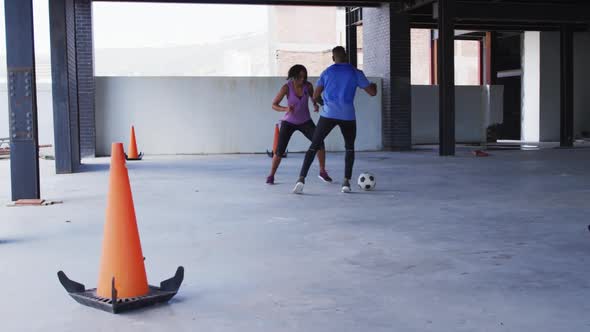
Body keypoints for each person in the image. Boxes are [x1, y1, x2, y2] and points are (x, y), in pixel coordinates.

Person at [292, 46, 377, 194]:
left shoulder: (327, 72)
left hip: (328, 114)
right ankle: (346, 182)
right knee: (349, 147)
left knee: (314, 146)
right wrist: (373, 85)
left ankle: (301, 179)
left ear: (333, 58)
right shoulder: (356, 72)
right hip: (348, 115)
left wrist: (325, 105)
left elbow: (316, 95)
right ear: (346, 56)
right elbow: (372, 92)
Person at [266, 64, 333, 185]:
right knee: (279, 150)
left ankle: (322, 171)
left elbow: (313, 98)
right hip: (289, 122)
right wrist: (285, 109)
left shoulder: (308, 86)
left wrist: (315, 104)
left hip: (305, 121)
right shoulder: (286, 88)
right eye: (299, 77)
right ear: (293, 77)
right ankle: (271, 175)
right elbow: (274, 104)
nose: (302, 80)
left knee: (319, 142)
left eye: (304, 77)